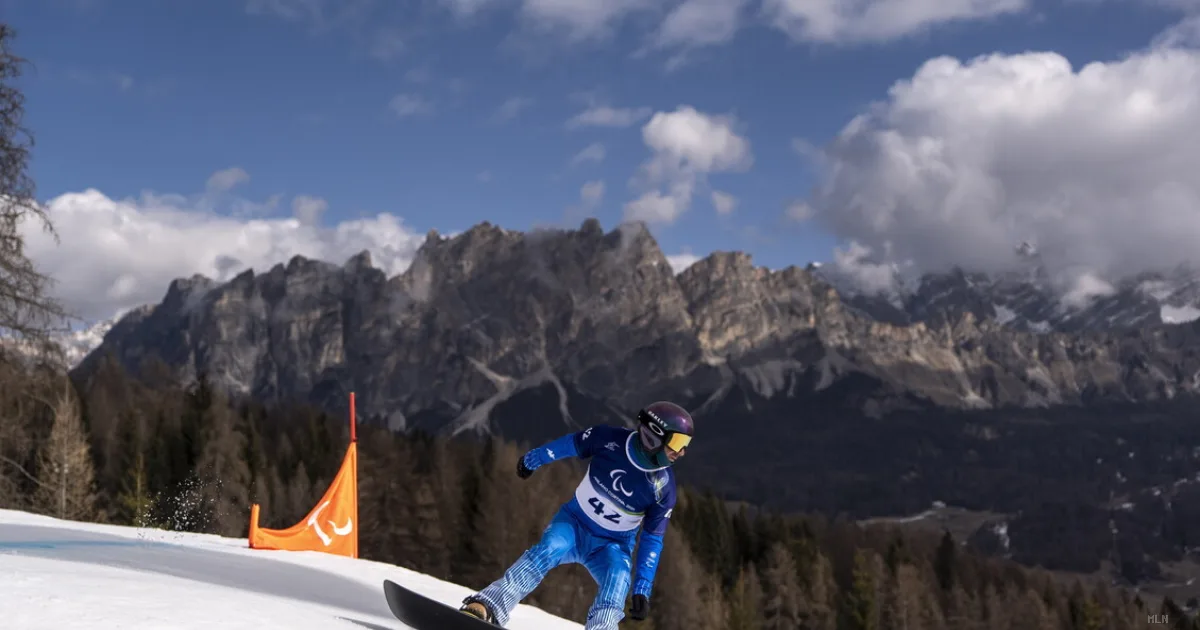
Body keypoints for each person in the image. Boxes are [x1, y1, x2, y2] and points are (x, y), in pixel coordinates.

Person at [458, 401, 695, 629]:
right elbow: (571, 444)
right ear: (653, 436)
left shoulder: (663, 489)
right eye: (677, 442)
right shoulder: (609, 439)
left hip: (612, 546)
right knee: (547, 550)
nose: (682, 452)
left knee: (617, 581)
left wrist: (642, 587)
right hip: (573, 525)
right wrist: (535, 459)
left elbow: (653, 539)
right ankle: (488, 605)